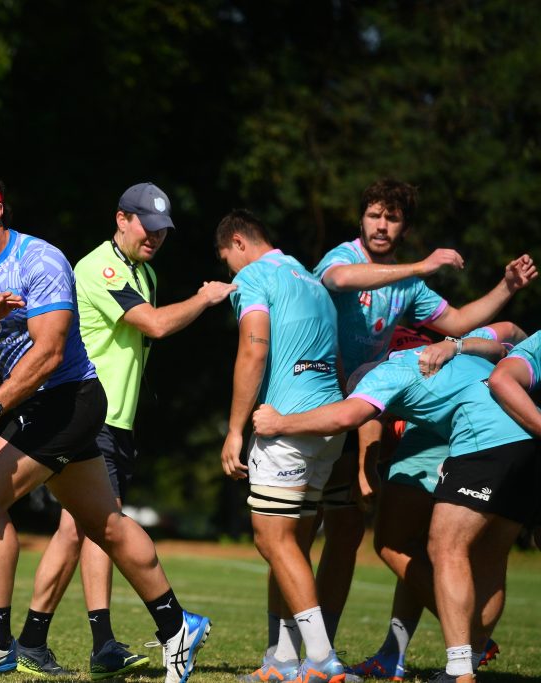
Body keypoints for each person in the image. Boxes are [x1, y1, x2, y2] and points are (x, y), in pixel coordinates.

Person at [0, 167, 212, 683]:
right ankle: (177, 625)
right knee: (105, 525)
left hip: (71, 399)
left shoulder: (41, 260)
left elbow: (51, 352)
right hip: (40, 403)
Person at [12, 183, 235, 679]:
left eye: (162, 231)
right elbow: (152, 325)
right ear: (121, 219)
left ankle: (87, 643)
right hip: (93, 417)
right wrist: (203, 298)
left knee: (87, 529)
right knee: (89, 527)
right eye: (146, 226)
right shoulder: (99, 267)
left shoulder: (146, 273)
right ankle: (46, 640)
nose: (155, 237)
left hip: (119, 421)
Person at [308, 179, 536, 659]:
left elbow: (457, 324)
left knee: (348, 532)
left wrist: (505, 287)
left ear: (403, 226)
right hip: (317, 399)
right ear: (362, 218)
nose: (382, 225)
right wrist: (423, 265)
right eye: (374, 214)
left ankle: (324, 648)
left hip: (364, 403)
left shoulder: (407, 284)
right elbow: (340, 282)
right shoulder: (344, 256)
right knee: (302, 527)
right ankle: (298, 648)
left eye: (392, 218)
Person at [252, 340, 539, 683]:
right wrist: (457, 344)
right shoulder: (435, 354)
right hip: (529, 438)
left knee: (445, 548)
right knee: (492, 556)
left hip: (487, 441)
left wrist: (280, 424)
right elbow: (503, 340)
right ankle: (471, 657)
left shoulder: (386, 374)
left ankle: (460, 671)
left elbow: (347, 415)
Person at [215, 209, 352, 683]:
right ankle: (281, 659)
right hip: (328, 427)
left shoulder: (254, 276)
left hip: (286, 429)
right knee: (290, 544)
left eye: (226, 262)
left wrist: (235, 430)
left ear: (237, 244)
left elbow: (254, 348)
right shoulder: (311, 280)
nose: (231, 275)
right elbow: (333, 358)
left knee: (271, 539)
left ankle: (321, 660)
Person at [348, 324, 524, 680]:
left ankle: (468, 642)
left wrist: (365, 470)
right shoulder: (447, 331)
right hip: (511, 433)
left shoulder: (388, 341)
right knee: (460, 552)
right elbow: (511, 330)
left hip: (449, 438)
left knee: (397, 544)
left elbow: (364, 409)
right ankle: (396, 653)